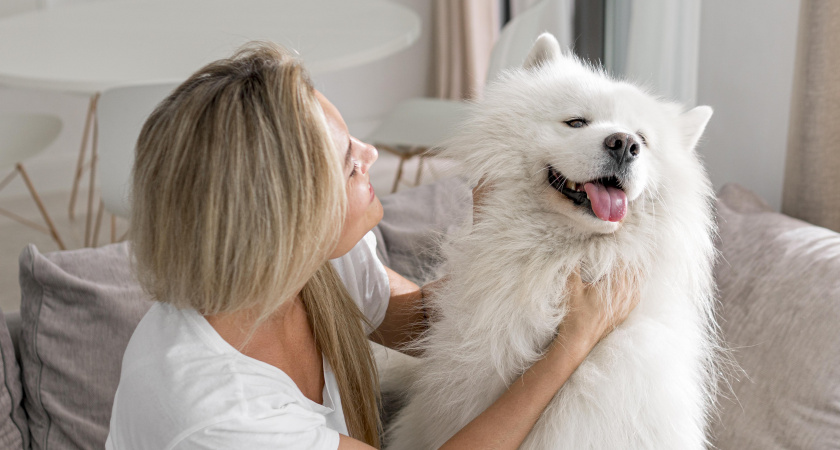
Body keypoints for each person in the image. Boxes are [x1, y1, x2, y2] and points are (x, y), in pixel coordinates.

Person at [105, 42, 640, 449]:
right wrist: (573, 342)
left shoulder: (314, 259)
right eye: (348, 162)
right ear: (287, 216)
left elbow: (421, 323)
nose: (371, 153)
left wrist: (495, 233)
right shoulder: (219, 416)